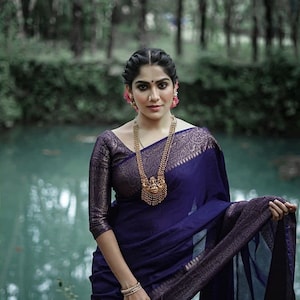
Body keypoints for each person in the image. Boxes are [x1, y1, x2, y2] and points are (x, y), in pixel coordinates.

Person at [88, 48, 297, 300]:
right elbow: (98, 220)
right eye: (143, 87)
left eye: (161, 85)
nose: (154, 96)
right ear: (129, 92)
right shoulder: (109, 144)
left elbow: (215, 213)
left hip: (175, 274)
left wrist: (260, 211)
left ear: (175, 87)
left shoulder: (200, 142)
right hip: (116, 276)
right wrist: (130, 286)